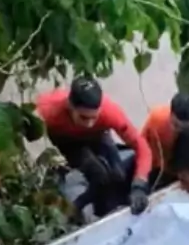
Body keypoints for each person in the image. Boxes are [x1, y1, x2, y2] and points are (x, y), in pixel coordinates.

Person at [36, 77, 152, 216]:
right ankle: (75, 209)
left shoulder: (110, 113)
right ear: (69, 106)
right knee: (98, 175)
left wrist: (139, 183)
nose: (89, 123)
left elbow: (141, 146)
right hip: (68, 141)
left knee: (119, 175)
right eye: (84, 117)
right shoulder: (48, 111)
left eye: (94, 117)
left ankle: (106, 209)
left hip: (98, 134)